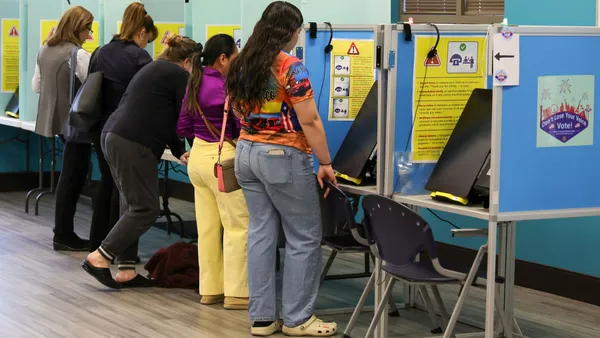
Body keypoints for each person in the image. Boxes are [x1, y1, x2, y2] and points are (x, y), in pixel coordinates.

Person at [226, 2, 337, 336]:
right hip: (283, 156)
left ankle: (262, 318)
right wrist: (326, 163)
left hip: (246, 152)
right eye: (298, 29)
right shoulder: (291, 66)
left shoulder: (241, 63)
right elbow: (310, 119)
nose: (298, 35)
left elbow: (236, 112)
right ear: (289, 31)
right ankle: (298, 318)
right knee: (304, 237)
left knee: (261, 232)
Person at [82, 35, 196, 288]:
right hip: (134, 142)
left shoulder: (152, 68)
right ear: (187, 61)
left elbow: (165, 117)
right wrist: (196, 146)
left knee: (130, 204)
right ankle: (100, 257)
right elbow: (184, 116)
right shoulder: (178, 75)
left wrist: (179, 150)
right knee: (145, 208)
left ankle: (126, 269)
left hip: (112, 136)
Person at [177, 34, 249, 310]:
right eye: (234, 58)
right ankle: (237, 293)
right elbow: (237, 129)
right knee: (237, 227)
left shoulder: (193, 82)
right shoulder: (227, 88)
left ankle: (210, 290)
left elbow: (182, 126)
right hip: (223, 161)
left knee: (207, 229)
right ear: (223, 59)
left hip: (197, 159)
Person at [87, 2, 158, 252]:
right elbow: (151, 96)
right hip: (127, 130)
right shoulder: (139, 56)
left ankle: (98, 242)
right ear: (141, 32)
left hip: (100, 127)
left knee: (108, 184)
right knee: (127, 194)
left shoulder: (101, 51)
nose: (146, 44)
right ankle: (117, 251)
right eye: (148, 40)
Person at [32, 6, 94, 251]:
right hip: (77, 124)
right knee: (72, 176)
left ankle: (63, 232)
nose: (89, 34)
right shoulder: (78, 54)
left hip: (55, 120)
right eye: (88, 28)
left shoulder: (44, 49)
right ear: (77, 27)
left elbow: (37, 87)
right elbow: (93, 89)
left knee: (70, 174)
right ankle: (64, 234)